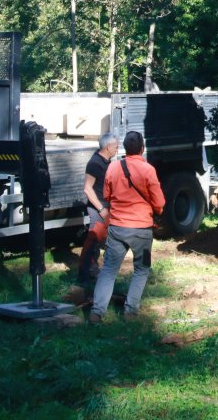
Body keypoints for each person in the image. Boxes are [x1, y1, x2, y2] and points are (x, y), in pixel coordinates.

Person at [89, 130, 165, 323]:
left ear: (124, 147)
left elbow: (106, 196)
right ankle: (130, 312)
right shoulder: (148, 170)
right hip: (141, 228)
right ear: (142, 149)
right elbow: (159, 202)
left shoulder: (113, 167)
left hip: (117, 227)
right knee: (141, 269)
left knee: (108, 270)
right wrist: (156, 210)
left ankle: (97, 312)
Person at [76, 132, 119, 289]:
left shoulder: (107, 161)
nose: (118, 148)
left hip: (105, 208)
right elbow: (87, 189)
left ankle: (93, 272)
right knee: (92, 241)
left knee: (99, 243)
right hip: (98, 209)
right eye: (116, 146)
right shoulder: (95, 163)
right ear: (108, 147)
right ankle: (83, 276)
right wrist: (101, 209)